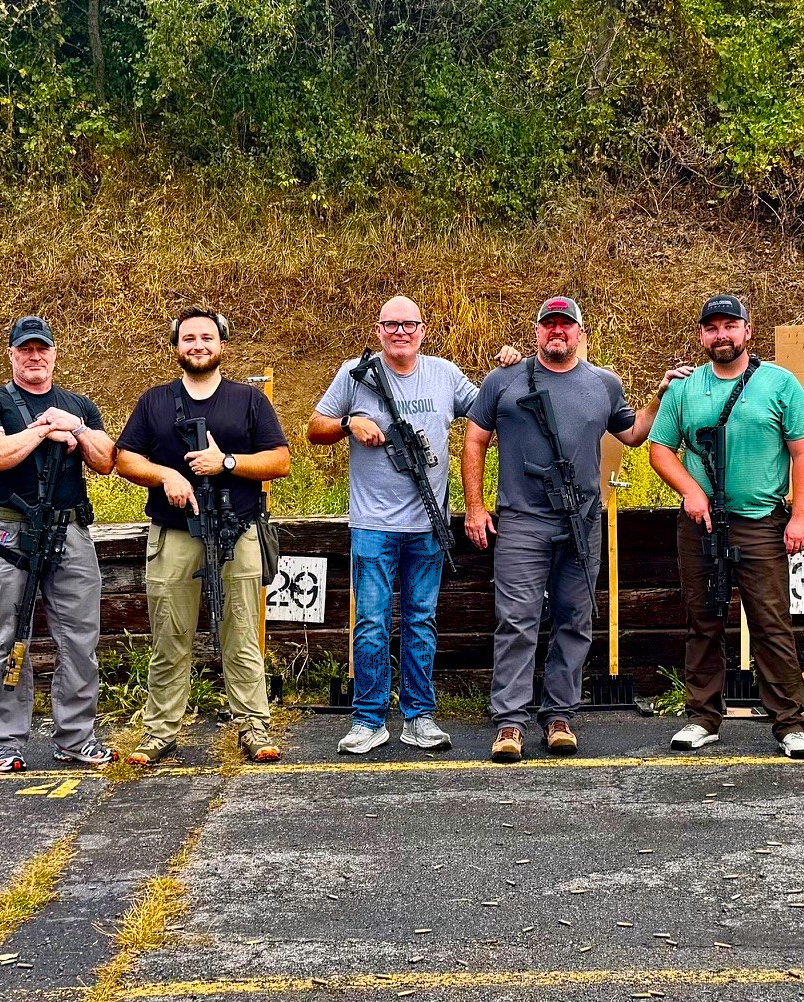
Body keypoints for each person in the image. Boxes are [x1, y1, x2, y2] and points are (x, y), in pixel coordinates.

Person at [463, 296, 689, 763]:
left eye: (566, 325)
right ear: (537, 332)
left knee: (574, 620)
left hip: (582, 522)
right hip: (522, 521)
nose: (557, 332)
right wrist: (474, 507)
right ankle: (509, 723)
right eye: (549, 325)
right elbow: (475, 439)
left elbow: (632, 434)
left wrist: (660, 393)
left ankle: (559, 716)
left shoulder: (603, 383)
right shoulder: (504, 380)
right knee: (517, 620)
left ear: (581, 333)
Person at [307, 296, 507, 755]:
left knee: (421, 620)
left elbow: (487, 415)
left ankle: (419, 716)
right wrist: (348, 422)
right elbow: (313, 428)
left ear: (423, 330)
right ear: (378, 330)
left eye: (409, 324)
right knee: (371, 622)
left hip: (427, 523)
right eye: (391, 324)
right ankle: (368, 718)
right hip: (373, 524)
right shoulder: (353, 375)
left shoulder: (444, 374)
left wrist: (508, 370)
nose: (401, 332)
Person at [115, 308, 290, 765]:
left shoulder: (249, 401)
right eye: (188, 338)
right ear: (177, 347)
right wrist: (166, 476)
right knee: (170, 636)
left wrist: (227, 463)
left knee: (242, 635)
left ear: (221, 345)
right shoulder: (154, 401)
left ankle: (253, 726)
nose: (197, 345)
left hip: (239, 531)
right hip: (175, 533)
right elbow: (125, 459)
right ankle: (160, 732)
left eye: (206, 337)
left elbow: (279, 460)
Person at [648, 295, 804, 759]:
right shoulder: (685, 388)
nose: (720, 335)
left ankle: (788, 722)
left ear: (748, 331)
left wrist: (801, 515)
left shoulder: (779, 383)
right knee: (703, 620)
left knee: (771, 622)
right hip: (700, 524)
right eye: (711, 328)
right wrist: (690, 490)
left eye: (729, 325)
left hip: (760, 522)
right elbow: (660, 448)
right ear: (702, 335)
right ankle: (703, 716)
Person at [0, 315, 118, 772]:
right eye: (25, 349)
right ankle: (5, 739)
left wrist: (77, 428)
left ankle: (75, 737)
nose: (35, 357)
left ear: (54, 354)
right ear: (11, 354)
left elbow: (107, 460)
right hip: (12, 533)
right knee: (11, 635)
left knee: (80, 638)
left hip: (70, 530)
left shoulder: (79, 405)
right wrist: (42, 430)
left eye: (42, 349)